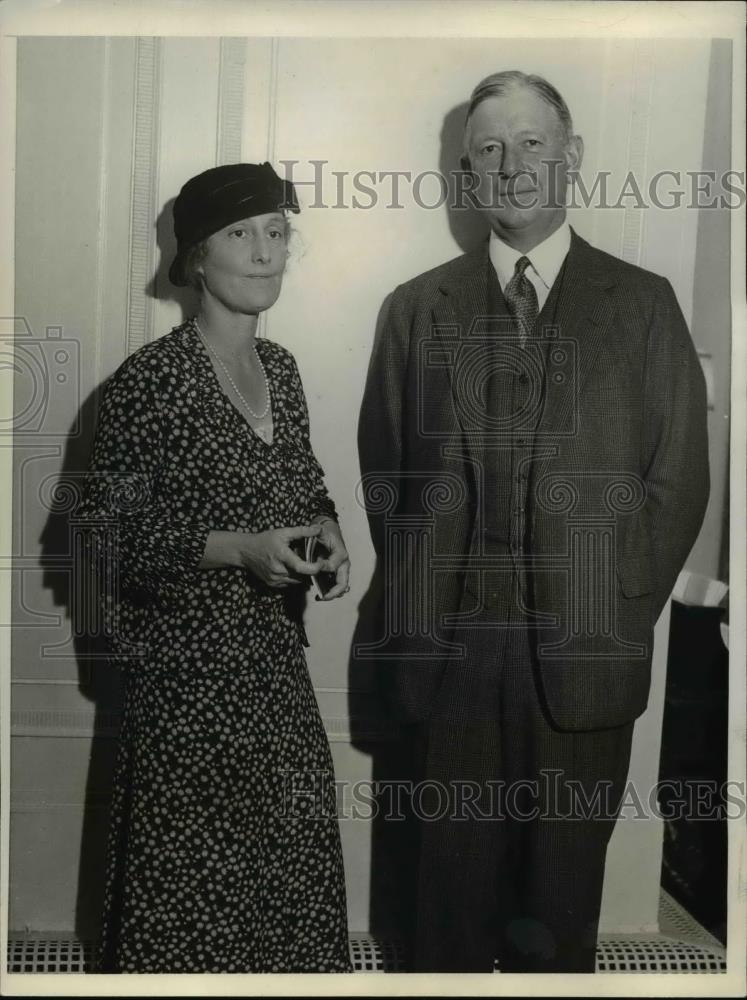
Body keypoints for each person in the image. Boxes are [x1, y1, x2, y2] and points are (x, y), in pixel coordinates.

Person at [358, 71, 709, 973]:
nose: (509, 166)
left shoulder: (642, 303)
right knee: (443, 918)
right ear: (465, 172)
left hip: (584, 651)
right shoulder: (415, 308)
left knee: (556, 917)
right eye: (487, 148)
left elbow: (677, 481)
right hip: (449, 653)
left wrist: (614, 605)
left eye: (530, 144)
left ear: (570, 157)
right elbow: (388, 474)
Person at [79, 162, 353, 973]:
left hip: (273, 677)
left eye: (276, 232)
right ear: (197, 257)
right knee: (192, 907)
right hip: (185, 691)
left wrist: (328, 532)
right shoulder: (149, 382)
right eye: (240, 234)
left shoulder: (284, 373)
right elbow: (103, 534)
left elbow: (302, 484)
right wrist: (239, 549)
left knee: (288, 890)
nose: (265, 253)